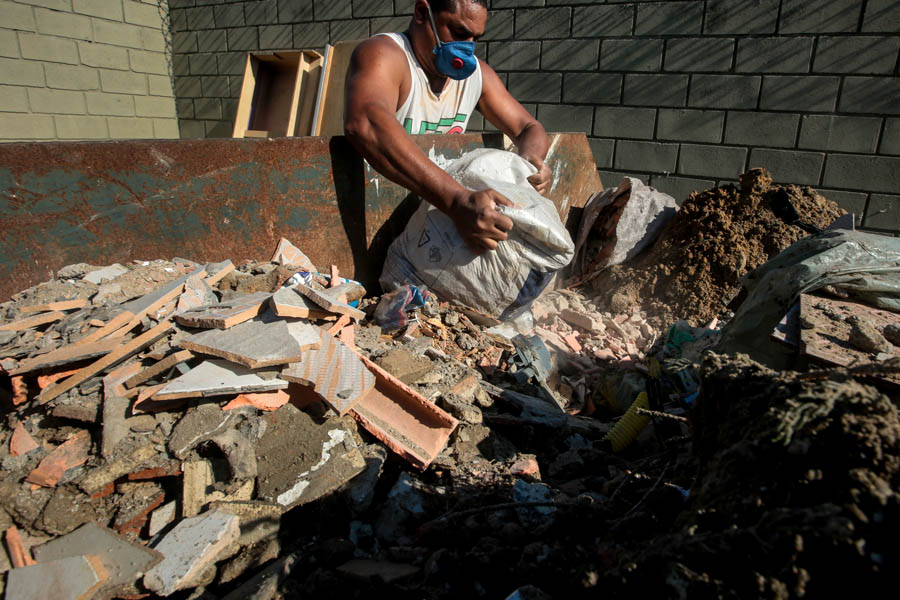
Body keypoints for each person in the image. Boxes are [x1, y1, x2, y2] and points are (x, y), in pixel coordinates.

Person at [344, 0, 552, 255]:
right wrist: (456, 201)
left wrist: (529, 160)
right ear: (422, 13)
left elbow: (529, 127)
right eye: (459, 33)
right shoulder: (385, 55)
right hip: (380, 233)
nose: (467, 47)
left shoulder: (478, 77)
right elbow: (364, 122)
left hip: (437, 231)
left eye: (475, 38)